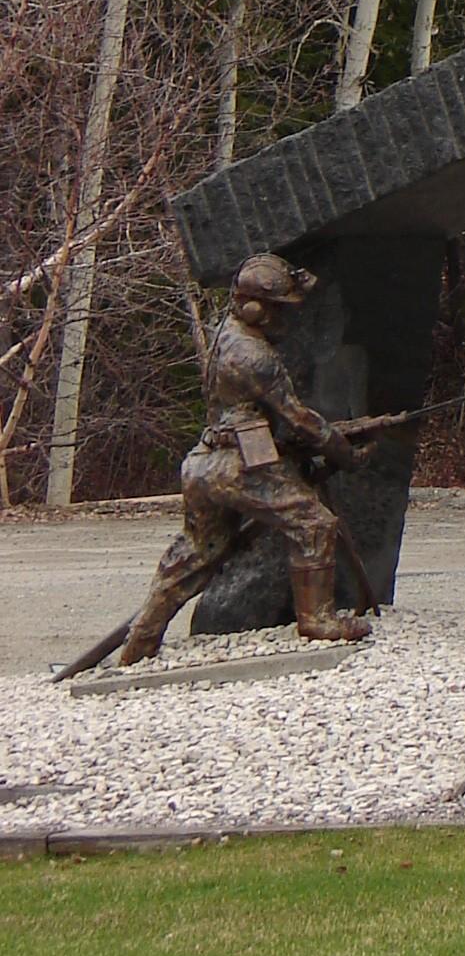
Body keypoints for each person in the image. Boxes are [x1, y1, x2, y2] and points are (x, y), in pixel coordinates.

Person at [116, 254, 375, 664]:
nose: (285, 317)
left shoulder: (225, 333)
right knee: (314, 523)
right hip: (236, 466)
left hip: (204, 462)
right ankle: (318, 620)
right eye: (279, 307)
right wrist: (344, 451)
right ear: (255, 307)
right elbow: (300, 419)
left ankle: (142, 639)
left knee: (197, 551)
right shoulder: (256, 356)